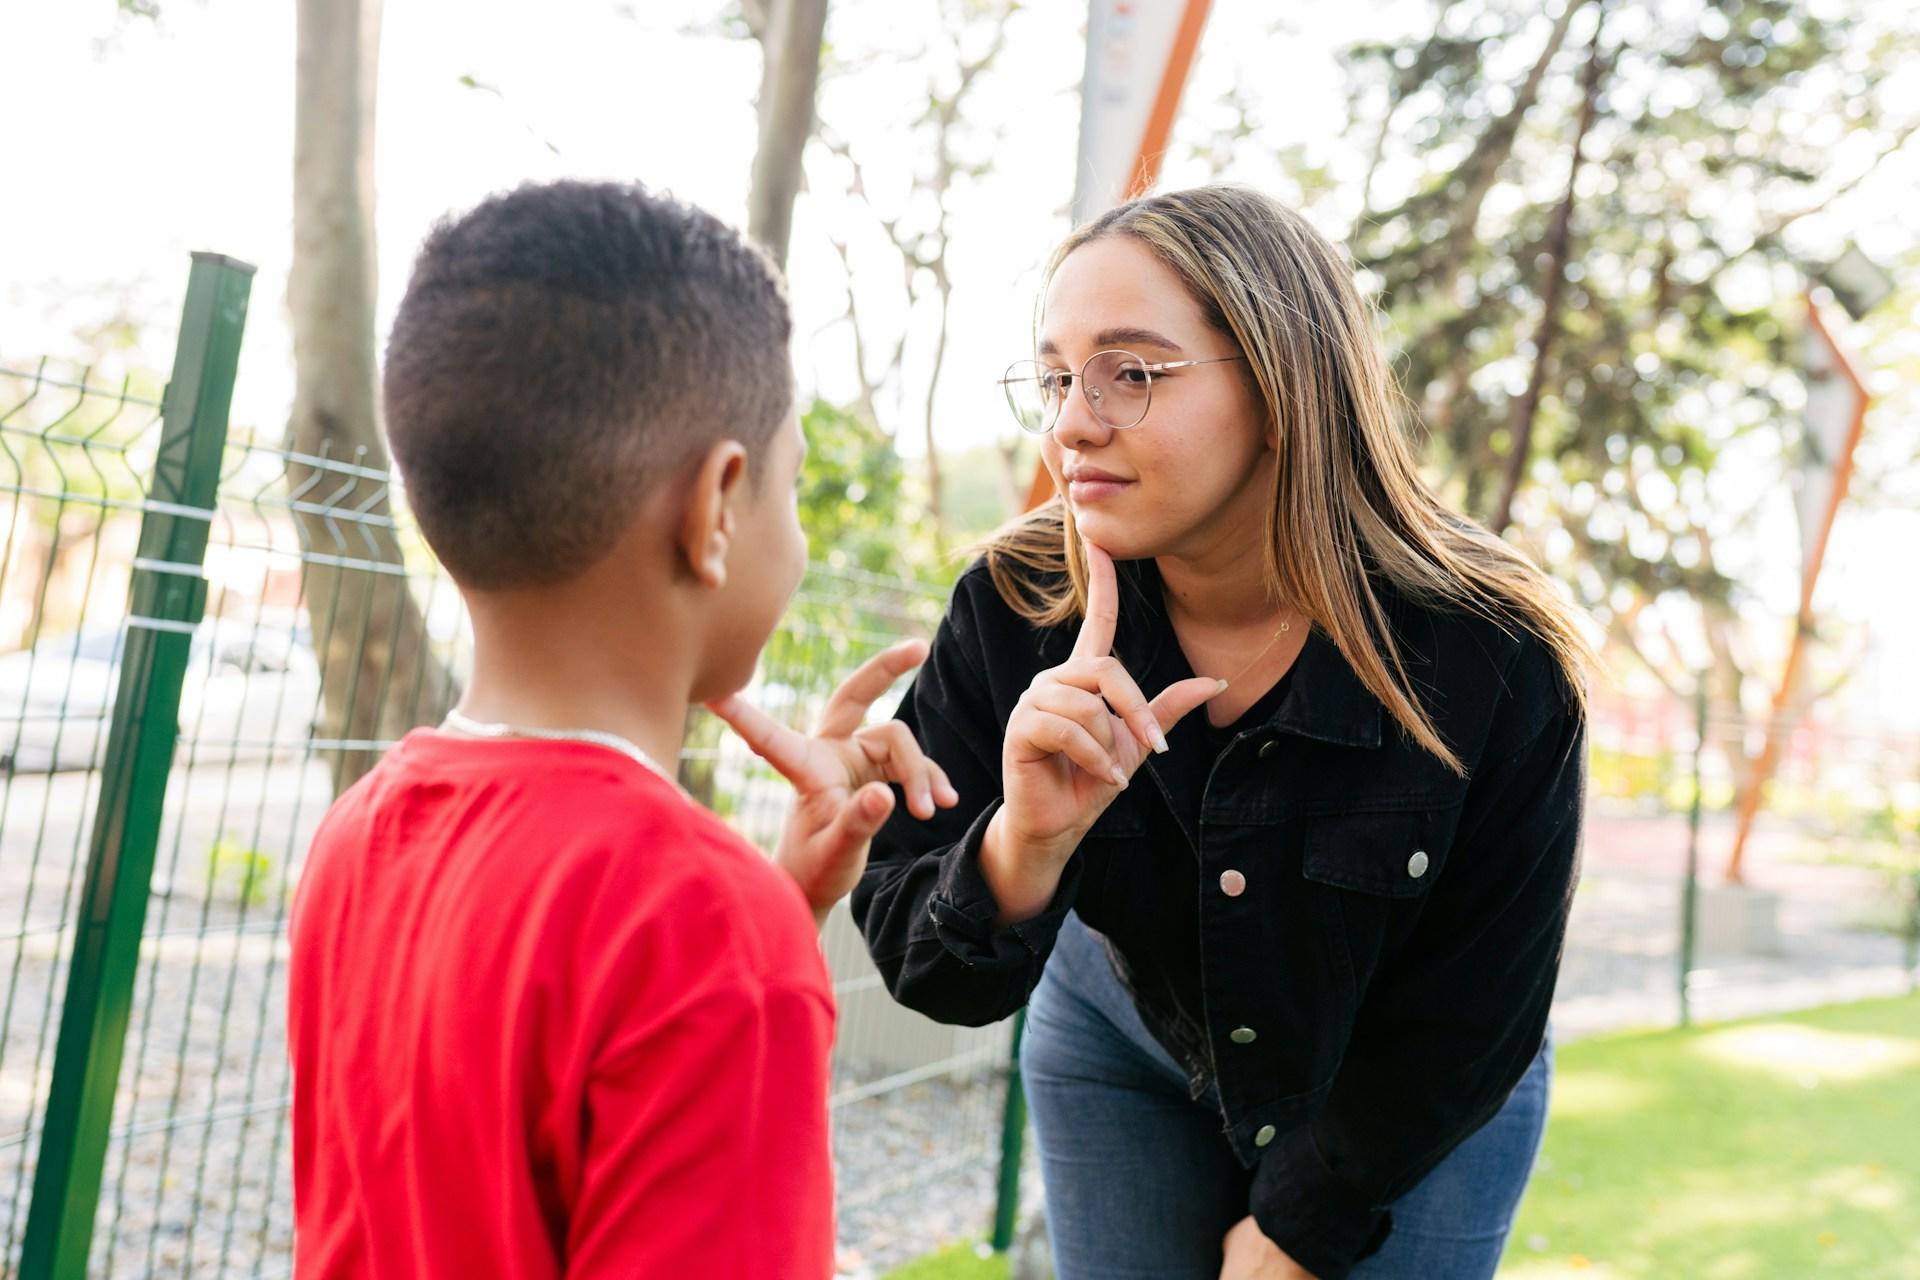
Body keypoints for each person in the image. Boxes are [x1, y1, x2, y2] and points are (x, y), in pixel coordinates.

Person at [852, 185, 1590, 1280]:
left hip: (1414, 1081)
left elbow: (1472, 1005)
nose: (1071, 423)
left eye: (1132, 372)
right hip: (1126, 1046)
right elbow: (929, 969)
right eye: (1057, 376)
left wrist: (1299, 1225)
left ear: (1286, 386)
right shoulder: (1016, 611)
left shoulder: (1488, 656)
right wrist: (1025, 842)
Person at [287, 180, 957, 1279]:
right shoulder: (707, 932)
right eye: (791, 486)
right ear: (717, 509)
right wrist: (755, 936)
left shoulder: (360, 832)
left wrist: (784, 904)